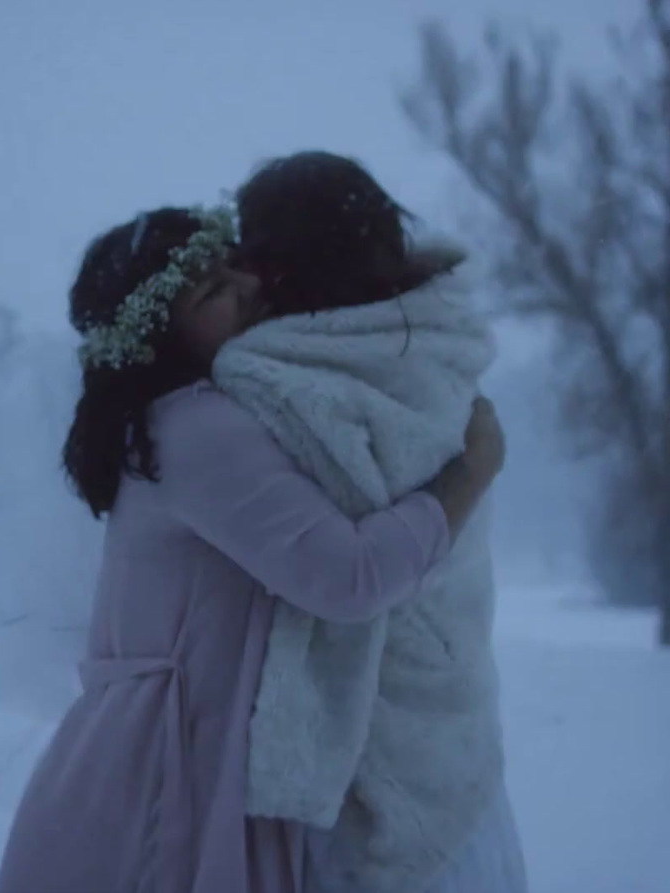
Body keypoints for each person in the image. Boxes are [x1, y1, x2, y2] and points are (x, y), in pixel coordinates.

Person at [0, 204, 506, 893]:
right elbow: (348, 578)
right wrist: (468, 473)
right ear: (160, 339)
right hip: (174, 762)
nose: (248, 283)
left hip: (162, 743)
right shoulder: (196, 428)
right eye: (211, 291)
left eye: (230, 261)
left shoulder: (172, 425)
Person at [222, 150, 527, 893]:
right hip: (456, 725)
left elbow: (344, 571)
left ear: (272, 259)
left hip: (351, 765)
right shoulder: (442, 348)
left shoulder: (268, 384)